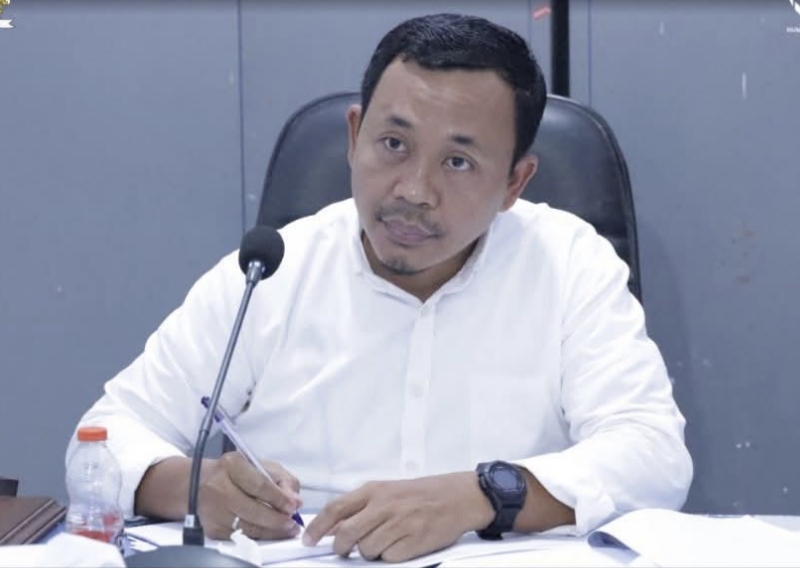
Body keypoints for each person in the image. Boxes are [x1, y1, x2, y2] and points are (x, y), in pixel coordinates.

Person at [67, 12, 692, 563]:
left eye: (458, 161)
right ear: (354, 136)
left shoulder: (568, 263)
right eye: (393, 144)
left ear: (514, 183)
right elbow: (101, 439)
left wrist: (479, 495)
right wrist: (196, 487)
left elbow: (653, 456)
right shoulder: (273, 270)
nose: (413, 191)